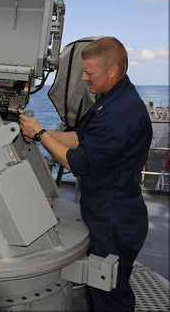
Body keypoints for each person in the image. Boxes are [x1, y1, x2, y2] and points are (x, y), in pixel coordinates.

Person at [19, 37, 152, 311]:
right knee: (102, 289)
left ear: (112, 70)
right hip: (108, 210)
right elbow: (83, 136)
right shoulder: (112, 98)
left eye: (89, 72)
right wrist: (45, 133)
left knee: (109, 292)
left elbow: (78, 163)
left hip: (114, 217)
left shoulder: (120, 112)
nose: (84, 78)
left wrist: (41, 135)